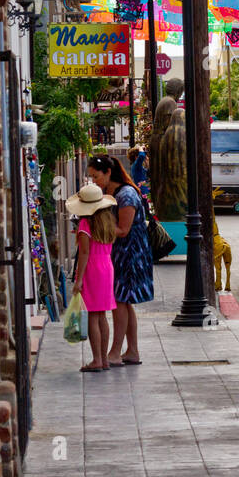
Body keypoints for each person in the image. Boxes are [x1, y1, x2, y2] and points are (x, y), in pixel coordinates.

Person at [87, 154, 155, 367]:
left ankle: (116, 351)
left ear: (108, 172)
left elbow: (123, 230)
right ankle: (131, 350)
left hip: (131, 254)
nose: (93, 181)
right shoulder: (110, 192)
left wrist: (94, 231)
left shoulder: (126, 194)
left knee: (120, 300)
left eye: (96, 176)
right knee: (124, 301)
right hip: (118, 253)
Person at [67, 183, 118, 372]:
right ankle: (103, 359)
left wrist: (78, 279)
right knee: (102, 316)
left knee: (92, 316)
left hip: (92, 270)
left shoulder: (85, 224)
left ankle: (96, 359)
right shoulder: (108, 220)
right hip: (107, 267)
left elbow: (84, 254)